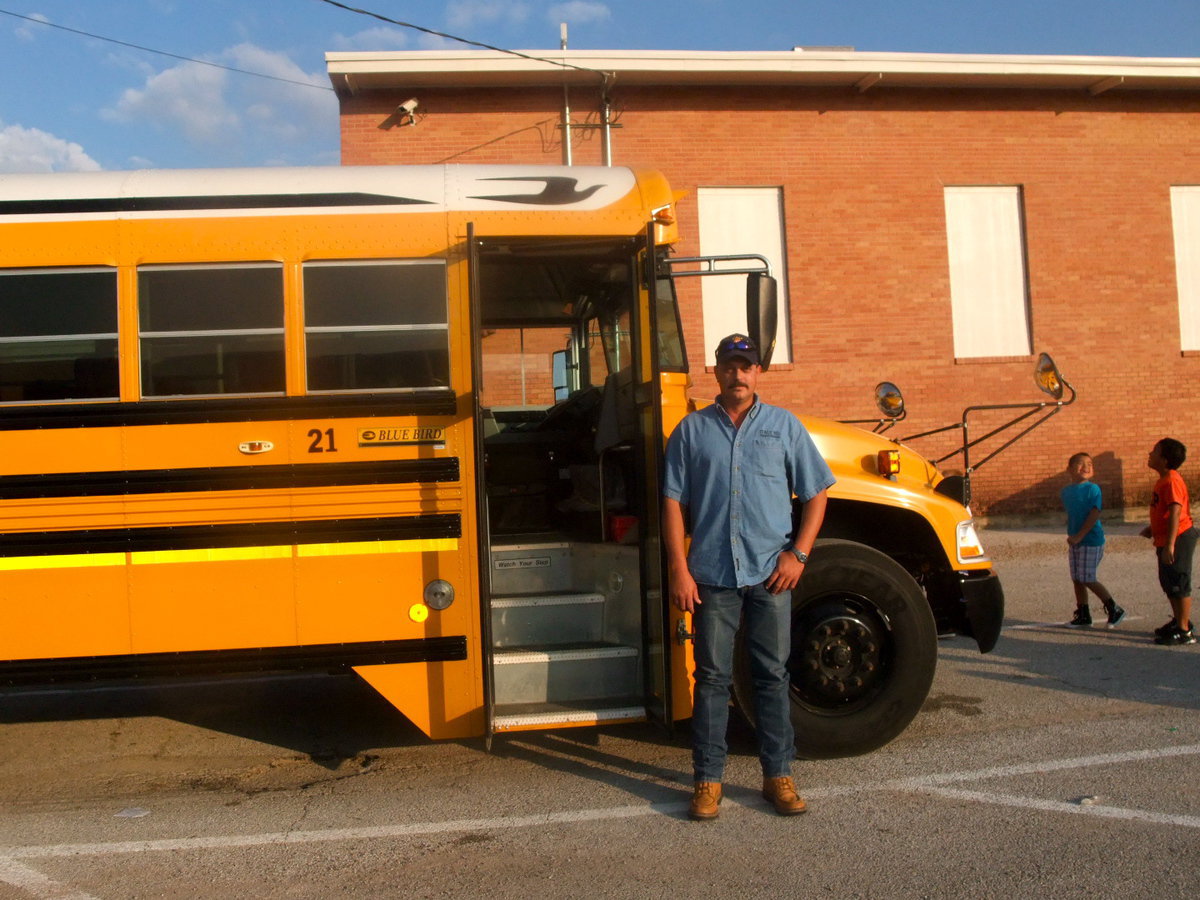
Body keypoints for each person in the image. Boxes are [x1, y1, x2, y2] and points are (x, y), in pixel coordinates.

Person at [663, 333, 835, 821]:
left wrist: (798, 555)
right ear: (715, 371)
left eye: (747, 366)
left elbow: (817, 494)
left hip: (770, 574)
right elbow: (672, 503)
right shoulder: (691, 432)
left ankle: (778, 775)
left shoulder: (784, 427)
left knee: (771, 677)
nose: (738, 374)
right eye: (730, 366)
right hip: (712, 576)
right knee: (713, 679)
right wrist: (680, 568)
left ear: (759, 372)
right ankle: (708, 780)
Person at [1140, 438, 1198, 645]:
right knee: (1169, 582)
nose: (1150, 454)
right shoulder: (1163, 479)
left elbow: (1175, 511)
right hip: (1165, 537)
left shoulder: (1172, 480)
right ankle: (1178, 621)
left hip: (1179, 537)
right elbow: (1163, 510)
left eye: (1154, 452)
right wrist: (1153, 529)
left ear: (1164, 460)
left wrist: (1171, 544)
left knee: (1179, 582)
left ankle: (1184, 630)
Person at [1060, 452, 1124, 628]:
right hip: (1075, 541)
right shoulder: (1066, 492)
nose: (1086, 467)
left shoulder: (1093, 489)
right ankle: (1083, 614)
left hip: (1091, 540)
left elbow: (1094, 513)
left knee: (1087, 577)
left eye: (1089, 464)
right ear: (1069, 469)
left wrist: (1080, 535)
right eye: (1080, 464)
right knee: (1077, 578)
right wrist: (1073, 536)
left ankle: (1114, 608)